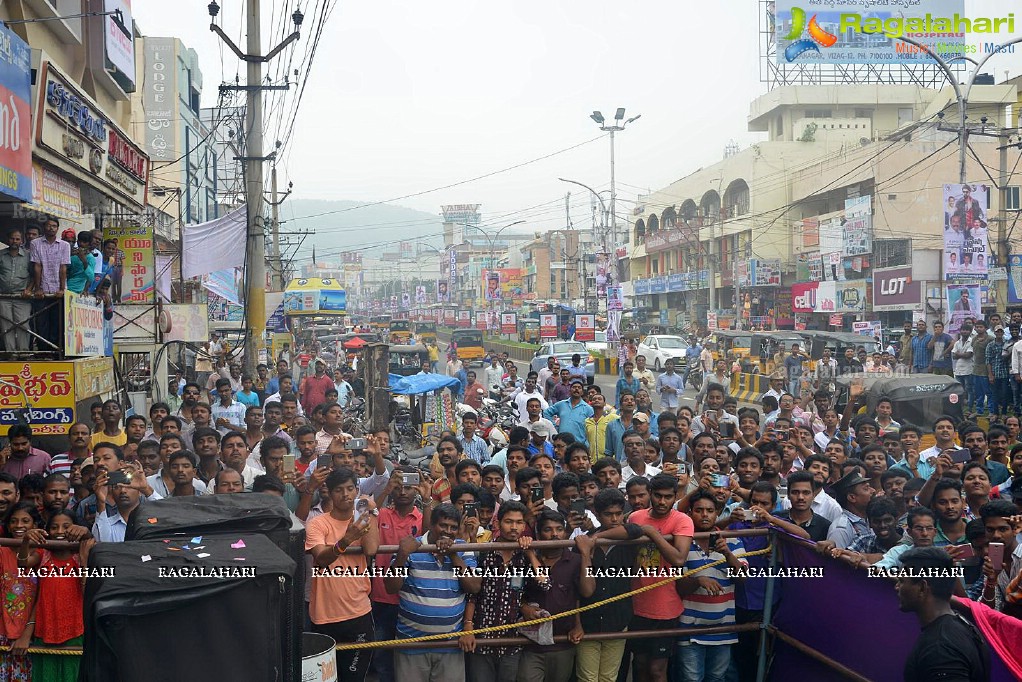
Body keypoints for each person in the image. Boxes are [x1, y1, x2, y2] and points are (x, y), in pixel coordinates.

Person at [385, 502, 479, 682]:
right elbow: (391, 587)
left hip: (450, 645)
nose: (448, 531)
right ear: (432, 525)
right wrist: (402, 556)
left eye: (453, 527)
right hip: (410, 643)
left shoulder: (462, 548)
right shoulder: (412, 547)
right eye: (443, 525)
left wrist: (452, 554)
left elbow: (473, 587)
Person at [306, 468, 380, 682]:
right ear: (329, 492)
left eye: (350, 489)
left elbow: (371, 549)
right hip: (324, 616)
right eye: (339, 490)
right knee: (324, 679)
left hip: (358, 614)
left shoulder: (363, 517)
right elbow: (320, 558)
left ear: (357, 490)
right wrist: (346, 540)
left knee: (353, 678)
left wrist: (369, 514)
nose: (346, 494)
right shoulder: (318, 523)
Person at [898, 546, 990, 682]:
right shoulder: (962, 624)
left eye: (901, 581)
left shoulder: (940, 650)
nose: (896, 587)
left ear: (922, 587)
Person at [27, 216, 71, 346]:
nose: (51, 228)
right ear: (44, 227)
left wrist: (62, 289)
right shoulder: (35, 243)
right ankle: (42, 351)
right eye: (48, 225)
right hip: (42, 290)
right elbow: (37, 267)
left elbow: (63, 268)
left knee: (57, 322)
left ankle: (55, 351)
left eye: (54, 226)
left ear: (57, 228)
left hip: (58, 290)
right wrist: (38, 288)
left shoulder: (64, 245)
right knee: (41, 323)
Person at [0, 229, 32, 351]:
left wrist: (29, 290)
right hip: (3, 296)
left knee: (23, 325)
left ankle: (23, 353)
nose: (14, 241)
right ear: (8, 240)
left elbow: (34, 275)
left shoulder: (28, 256)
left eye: (17, 239)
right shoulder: (1, 255)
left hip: (22, 297)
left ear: (22, 241)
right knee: (6, 326)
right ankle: (11, 353)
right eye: (12, 238)